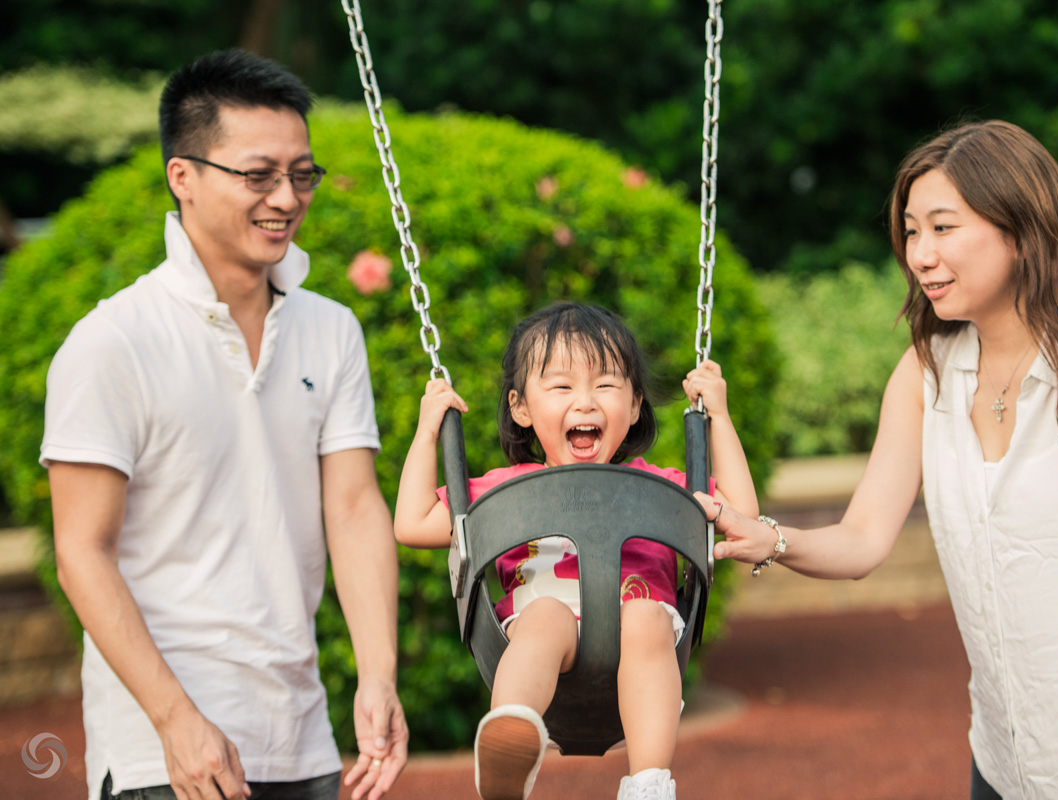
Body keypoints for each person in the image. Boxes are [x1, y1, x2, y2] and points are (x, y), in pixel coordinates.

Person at [700, 120, 1058, 799]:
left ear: (1022, 230)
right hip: (1000, 765)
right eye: (911, 231)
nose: (920, 255)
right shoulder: (926, 373)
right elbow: (863, 538)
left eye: (943, 228)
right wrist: (772, 539)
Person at [42, 49, 407, 800]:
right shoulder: (113, 341)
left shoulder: (331, 329)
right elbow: (81, 551)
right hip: (162, 754)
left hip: (300, 739)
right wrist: (176, 722)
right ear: (183, 176)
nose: (287, 198)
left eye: (301, 174)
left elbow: (353, 507)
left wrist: (378, 674)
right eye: (258, 175)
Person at [394, 302, 758, 800]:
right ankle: (511, 735)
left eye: (605, 385)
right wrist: (427, 432)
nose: (585, 403)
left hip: (639, 636)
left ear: (634, 405)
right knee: (547, 615)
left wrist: (719, 417)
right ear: (521, 407)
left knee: (647, 617)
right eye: (562, 387)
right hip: (547, 636)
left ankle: (649, 785)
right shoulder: (505, 488)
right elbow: (412, 524)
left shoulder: (661, 485)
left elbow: (741, 514)